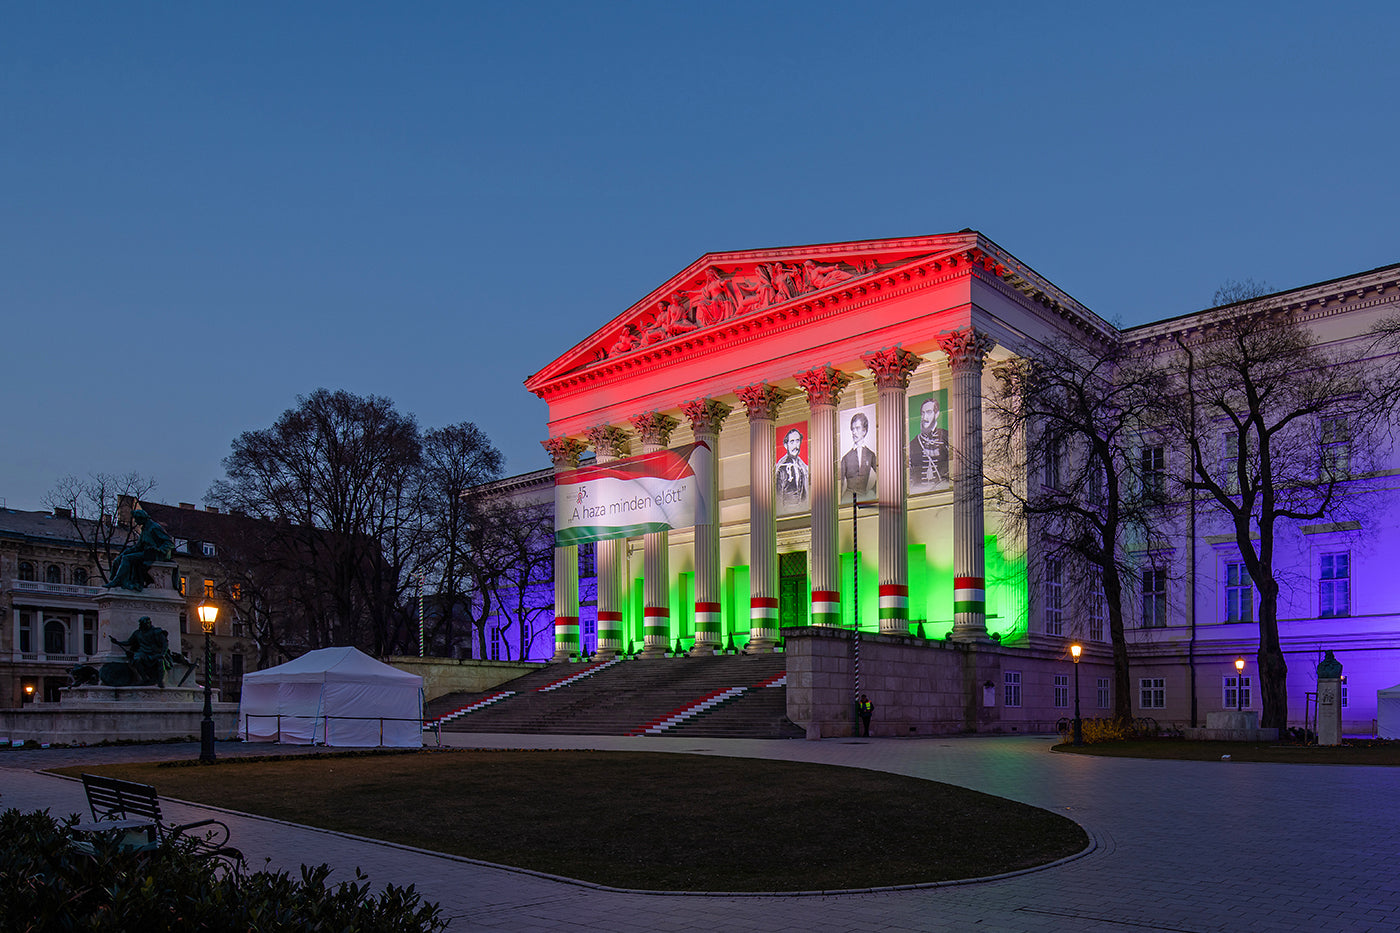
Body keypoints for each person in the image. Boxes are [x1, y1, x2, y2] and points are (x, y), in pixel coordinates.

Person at [106, 508, 175, 591]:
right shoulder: (145, 529)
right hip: (147, 553)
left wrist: (160, 550)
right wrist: (125, 552)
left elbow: (169, 542)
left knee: (127, 558)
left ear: (141, 518)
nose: (135, 521)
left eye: (136, 519)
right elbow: (138, 546)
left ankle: (118, 581)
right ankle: (120, 582)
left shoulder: (154, 527)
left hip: (156, 554)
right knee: (120, 558)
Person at [110, 617, 173, 687]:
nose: (144, 625)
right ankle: (144, 678)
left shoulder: (157, 632)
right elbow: (129, 642)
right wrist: (117, 642)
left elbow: (165, 643)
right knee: (137, 660)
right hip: (143, 652)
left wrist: (163, 654)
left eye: (147, 623)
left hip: (155, 653)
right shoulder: (138, 633)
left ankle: (160, 681)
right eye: (143, 624)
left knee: (160, 661)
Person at [908, 397, 949, 492]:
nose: (924, 417)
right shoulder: (913, 444)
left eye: (929, 412)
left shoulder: (946, 437)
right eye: (922, 413)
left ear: (937, 414)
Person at [840, 412, 877, 500]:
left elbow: (880, 477)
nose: (854, 432)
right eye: (852, 429)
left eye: (857, 428)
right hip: (848, 499)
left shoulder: (871, 455)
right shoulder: (846, 458)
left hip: (865, 498)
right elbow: (840, 484)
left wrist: (873, 492)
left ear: (864, 431)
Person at [776, 428, 810, 509]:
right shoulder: (781, 468)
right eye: (792, 442)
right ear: (785, 445)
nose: (795, 446)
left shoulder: (802, 467)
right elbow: (778, 498)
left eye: (797, 441)